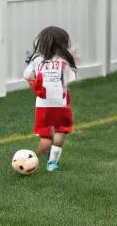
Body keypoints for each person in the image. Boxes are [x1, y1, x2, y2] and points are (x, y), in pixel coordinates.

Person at [23, 26, 77, 172]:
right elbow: (70, 77)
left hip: (42, 103)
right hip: (61, 102)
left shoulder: (36, 59)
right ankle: (52, 163)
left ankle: (36, 157)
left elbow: (28, 76)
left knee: (45, 133)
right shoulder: (65, 59)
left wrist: (36, 87)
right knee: (61, 130)